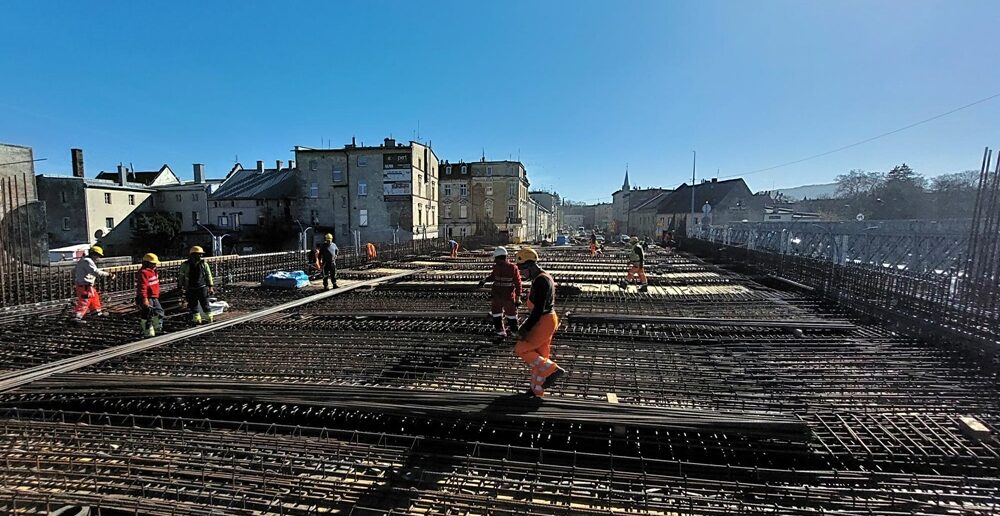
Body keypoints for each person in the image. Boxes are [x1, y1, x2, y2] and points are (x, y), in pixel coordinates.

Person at [513, 247, 567, 397]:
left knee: (522, 348)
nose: (522, 273)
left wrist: (525, 328)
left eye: (523, 269)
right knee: (540, 356)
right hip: (547, 320)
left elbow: (538, 310)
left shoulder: (541, 282)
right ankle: (536, 390)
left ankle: (554, 370)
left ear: (531, 265)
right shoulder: (542, 278)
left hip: (543, 321)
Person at [477, 246, 522, 337]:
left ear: (498, 257)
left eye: (496, 259)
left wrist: (518, 298)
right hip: (501, 296)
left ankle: (508, 331)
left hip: (504, 296)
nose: (495, 261)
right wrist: (484, 280)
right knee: (503, 314)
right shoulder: (502, 267)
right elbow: (493, 276)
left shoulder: (511, 268)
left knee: (505, 314)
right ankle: (508, 331)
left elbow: (518, 284)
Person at [72, 245, 113, 324]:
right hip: (84, 286)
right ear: (94, 254)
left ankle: (96, 313)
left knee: (94, 298)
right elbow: (95, 272)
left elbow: (74, 271)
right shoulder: (87, 261)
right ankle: (77, 317)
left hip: (86, 285)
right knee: (84, 301)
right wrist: (109, 274)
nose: (99, 258)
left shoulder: (83, 260)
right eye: (98, 256)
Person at [178, 245, 215, 324]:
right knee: (193, 305)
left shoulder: (203, 264)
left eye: (200, 254)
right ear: (192, 254)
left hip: (202, 287)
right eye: (198, 254)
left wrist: (210, 287)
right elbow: (181, 276)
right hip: (190, 288)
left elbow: (208, 275)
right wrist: (180, 286)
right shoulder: (185, 264)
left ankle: (208, 317)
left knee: (205, 303)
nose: (200, 255)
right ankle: (197, 319)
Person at [136, 252, 164, 337]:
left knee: (159, 312)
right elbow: (142, 287)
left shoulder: (154, 271)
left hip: (154, 297)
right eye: (153, 264)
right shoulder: (143, 273)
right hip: (147, 297)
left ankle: (157, 328)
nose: (155, 265)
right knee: (147, 313)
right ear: (147, 263)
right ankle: (147, 330)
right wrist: (144, 299)